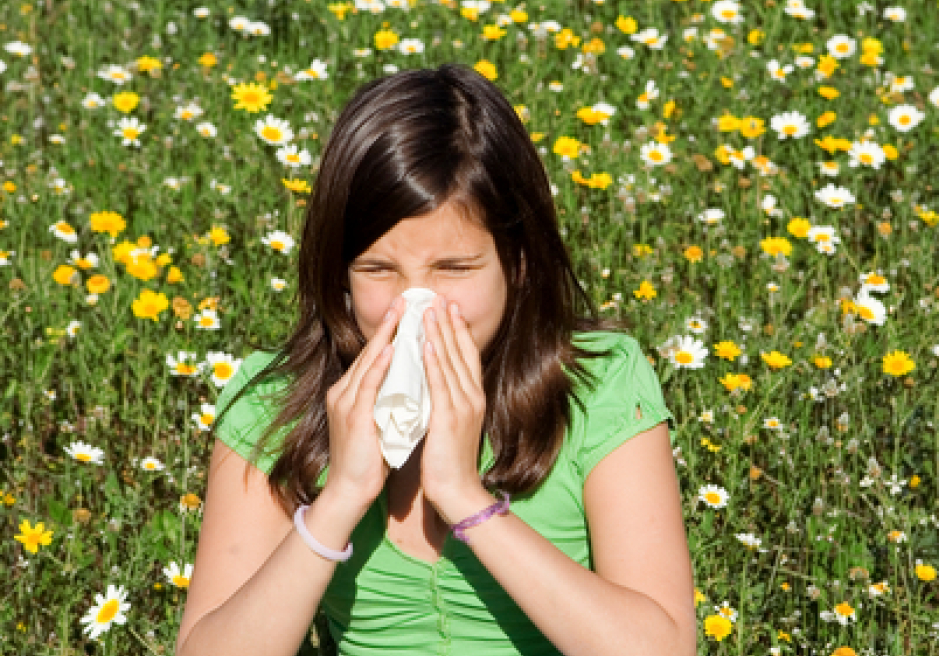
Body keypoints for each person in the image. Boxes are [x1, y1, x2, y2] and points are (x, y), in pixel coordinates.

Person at [175, 64, 696, 656]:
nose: (414, 306)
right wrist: (340, 498)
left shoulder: (597, 384)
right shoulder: (275, 405)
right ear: (338, 271)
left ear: (518, 262)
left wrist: (465, 498)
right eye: (377, 269)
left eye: (454, 269)